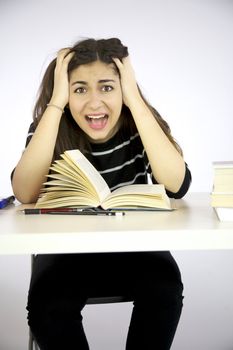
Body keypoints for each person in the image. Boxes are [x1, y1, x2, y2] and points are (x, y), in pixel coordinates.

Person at [12, 38, 191, 350]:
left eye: (107, 87)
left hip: (136, 249)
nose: (94, 103)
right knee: (48, 303)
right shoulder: (50, 127)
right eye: (79, 89)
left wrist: (134, 100)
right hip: (66, 254)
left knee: (164, 289)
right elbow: (25, 193)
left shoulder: (138, 125)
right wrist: (54, 104)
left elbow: (178, 185)